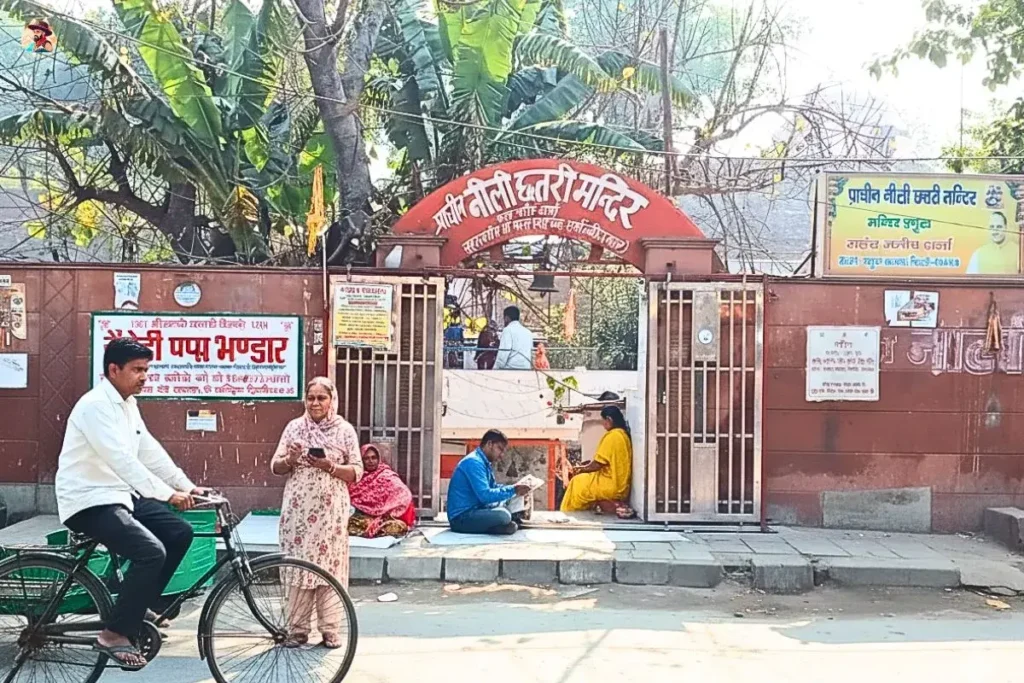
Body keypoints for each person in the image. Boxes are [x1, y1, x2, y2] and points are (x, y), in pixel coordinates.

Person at [56, 337, 204, 671]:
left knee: (179, 532)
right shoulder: (94, 406)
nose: (144, 376)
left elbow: (148, 451)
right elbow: (121, 460)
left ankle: (137, 607)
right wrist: (167, 494)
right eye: (137, 369)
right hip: (89, 499)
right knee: (150, 552)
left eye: (146, 370)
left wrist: (186, 485)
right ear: (114, 369)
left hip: (120, 495)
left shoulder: (128, 405)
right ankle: (113, 634)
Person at [271, 377, 363, 649]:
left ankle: (330, 629)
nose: (315, 403)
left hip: (330, 513)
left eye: (321, 398)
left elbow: (357, 471)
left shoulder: (344, 430)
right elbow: (275, 466)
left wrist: (329, 466)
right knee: (298, 566)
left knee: (329, 567)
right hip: (298, 512)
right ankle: (297, 630)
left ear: (332, 400)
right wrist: (290, 459)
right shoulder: (294, 427)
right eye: (311, 398)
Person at [447, 429, 530, 535]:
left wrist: (515, 488)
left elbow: (493, 487)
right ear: (489, 444)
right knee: (503, 515)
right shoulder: (474, 462)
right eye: (499, 449)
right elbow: (485, 496)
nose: (501, 455)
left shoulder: (483, 462)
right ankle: (500, 525)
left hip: (479, 510)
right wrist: (513, 490)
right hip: (461, 518)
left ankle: (504, 523)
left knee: (514, 498)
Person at [560, 406, 632, 512]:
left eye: (603, 421)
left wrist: (580, 469)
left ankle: (571, 511)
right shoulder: (623, 435)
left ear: (609, 419)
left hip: (612, 485)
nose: (603, 424)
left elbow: (597, 465)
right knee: (582, 480)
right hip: (621, 485)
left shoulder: (613, 437)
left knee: (577, 483)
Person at [348, 444, 417, 538]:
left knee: (398, 527)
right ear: (361, 460)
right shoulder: (357, 477)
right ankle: (372, 530)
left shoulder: (386, 475)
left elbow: (404, 494)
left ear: (378, 459)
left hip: (387, 519)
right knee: (349, 524)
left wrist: (387, 513)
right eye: (366, 458)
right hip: (364, 518)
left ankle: (373, 530)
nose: (371, 461)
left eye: (374, 458)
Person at [495, 306, 534, 370]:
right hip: (526, 368)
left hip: (510, 369)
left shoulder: (507, 330)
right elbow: (531, 353)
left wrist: (496, 368)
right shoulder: (528, 332)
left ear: (506, 318)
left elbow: (504, 352)